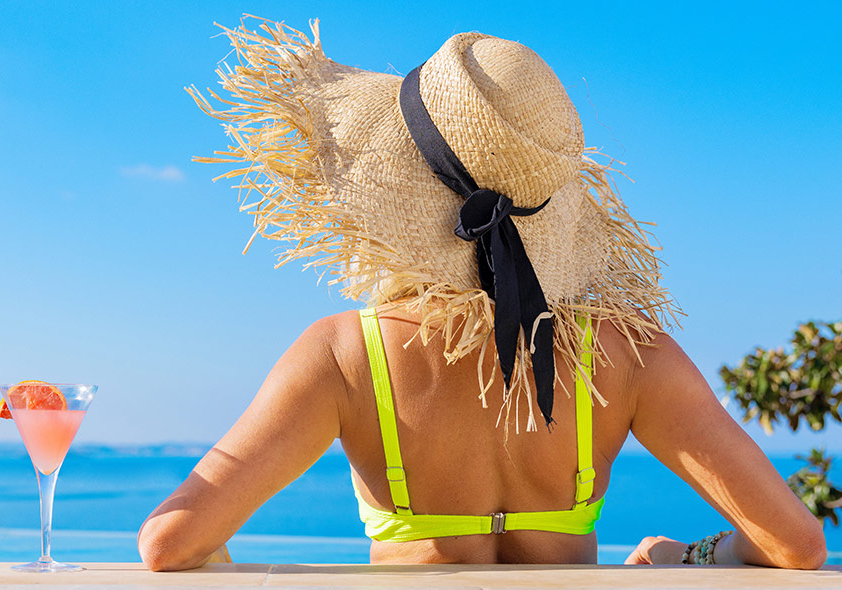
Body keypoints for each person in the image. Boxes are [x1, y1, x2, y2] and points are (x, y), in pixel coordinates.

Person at [137, 18, 826, 572]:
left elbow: (170, 544)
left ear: (394, 188)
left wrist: (219, 559)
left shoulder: (343, 355)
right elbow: (796, 546)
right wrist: (690, 555)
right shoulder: (631, 356)